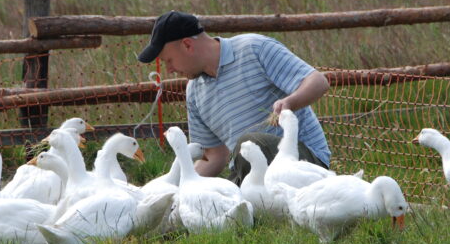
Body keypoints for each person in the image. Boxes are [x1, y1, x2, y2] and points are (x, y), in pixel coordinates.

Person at [137, 10, 331, 184]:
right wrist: (184, 189)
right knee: (209, 200)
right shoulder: (194, 92)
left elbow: (318, 82)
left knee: (250, 144)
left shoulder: (255, 48)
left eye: (168, 60)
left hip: (304, 166)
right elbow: (214, 156)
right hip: (249, 174)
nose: (169, 70)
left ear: (187, 45)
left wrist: (290, 103)